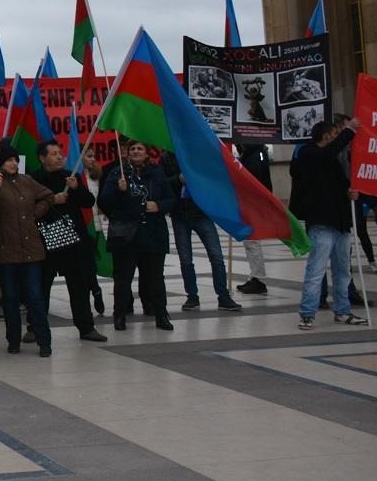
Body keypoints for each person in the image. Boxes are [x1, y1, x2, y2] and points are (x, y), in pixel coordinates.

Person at [293, 118, 369, 329]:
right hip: (321, 222)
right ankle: (307, 313)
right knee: (316, 269)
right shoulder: (309, 154)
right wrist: (349, 131)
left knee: (343, 271)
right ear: (326, 136)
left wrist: (350, 192)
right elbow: (326, 153)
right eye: (335, 134)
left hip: (341, 223)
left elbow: (340, 183)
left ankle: (342, 310)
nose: (337, 139)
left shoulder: (332, 161)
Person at [0, 138, 55, 357]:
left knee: (34, 296)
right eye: (8, 160)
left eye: (15, 159)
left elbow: (48, 196)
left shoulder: (27, 181)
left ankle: (44, 341)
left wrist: (36, 213)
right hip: (6, 251)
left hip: (30, 249)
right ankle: (13, 339)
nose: (13, 163)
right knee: (11, 298)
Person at [31, 140, 107, 343]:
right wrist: (52, 201)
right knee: (41, 285)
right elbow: (29, 207)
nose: (59, 157)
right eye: (53, 153)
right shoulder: (34, 179)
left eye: (60, 153)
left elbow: (88, 202)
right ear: (42, 157)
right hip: (47, 238)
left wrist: (77, 188)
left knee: (79, 286)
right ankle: (34, 327)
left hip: (73, 239)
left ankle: (86, 327)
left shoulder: (70, 176)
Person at [98, 140, 175, 332]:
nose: (135, 151)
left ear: (148, 154)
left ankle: (161, 315)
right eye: (132, 149)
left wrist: (159, 206)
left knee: (155, 278)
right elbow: (104, 200)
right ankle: (119, 316)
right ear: (127, 154)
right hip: (125, 236)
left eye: (139, 148)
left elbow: (171, 198)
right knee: (123, 278)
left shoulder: (157, 173)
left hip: (152, 233)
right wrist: (118, 190)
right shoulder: (117, 173)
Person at [161, 152, 243, 314]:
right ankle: (192, 296)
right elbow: (162, 183)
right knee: (186, 259)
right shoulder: (167, 158)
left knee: (216, 257)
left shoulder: (199, 152)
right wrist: (178, 179)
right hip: (179, 214)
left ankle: (223, 296)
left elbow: (213, 178)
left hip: (201, 213)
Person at [236, 145, 272, 295]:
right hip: (251, 202)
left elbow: (254, 178)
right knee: (250, 242)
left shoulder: (256, 154)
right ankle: (256, 276)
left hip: (254, 202)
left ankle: (259, 279)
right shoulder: (253, 153)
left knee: (252, 241)